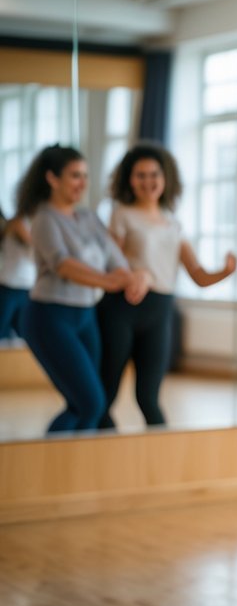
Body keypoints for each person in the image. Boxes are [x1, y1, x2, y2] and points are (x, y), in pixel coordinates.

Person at [97, 142, 237, 429]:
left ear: (165, 179)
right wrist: (139, 274)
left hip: (159, 311)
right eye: (140, 175)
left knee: (148, 397)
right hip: (121, 308)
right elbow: (111, 262)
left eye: (154, 175)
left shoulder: (173, 222)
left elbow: (198, 275)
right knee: (105, 394)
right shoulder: (121, 214)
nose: (148, 182)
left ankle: (160, 463)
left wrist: (225, 271)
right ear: (129, 179)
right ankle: (101, 454)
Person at [17, 145, 137, 433]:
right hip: (49, 317)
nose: (82, 183)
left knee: (82, 404)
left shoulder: (89, 218)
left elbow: (117, 261)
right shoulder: (45, 219)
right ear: (52, 179)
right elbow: (64, 265)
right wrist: (110, 282)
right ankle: (45, 463)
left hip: (85, 316)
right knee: (91, 403)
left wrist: (124, 276)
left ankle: (68, 470)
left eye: (85, 176)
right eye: (74, 176)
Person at [0, 206, 35, 341]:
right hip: (9, 286)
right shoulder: (17, 222)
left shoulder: (35, 223)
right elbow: (37, 248)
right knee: (2, 333)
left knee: (23, 335)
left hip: (27, 288)